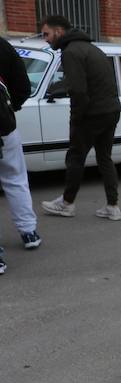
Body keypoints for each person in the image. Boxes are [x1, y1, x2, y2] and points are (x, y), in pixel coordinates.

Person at [39, 15, 121, 221]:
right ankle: (113, 207)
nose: (46, 39)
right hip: (111, 111)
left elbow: (77, 91)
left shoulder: (71, 52)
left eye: (47, 34)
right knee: (105, 158)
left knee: (75, 158)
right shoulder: (93, 49)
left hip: (91, 114)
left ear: (59, 31)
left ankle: (67, 204)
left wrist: (75, 119)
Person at [0, 34, 41, 275]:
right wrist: (10, 108)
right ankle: (29, 232)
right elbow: (23, 87)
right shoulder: (3, 46)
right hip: (5, 126)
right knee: (15, 178)